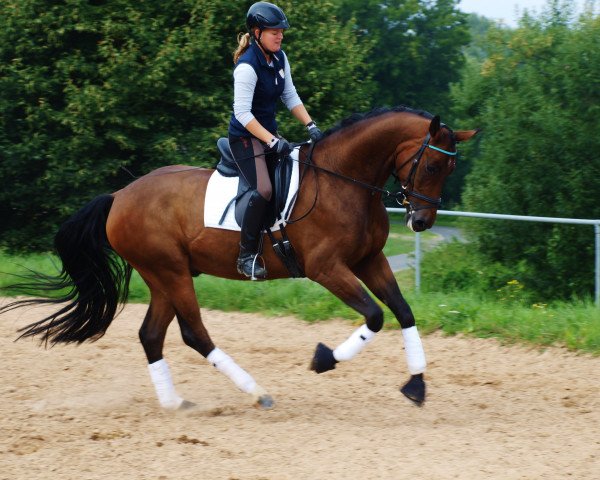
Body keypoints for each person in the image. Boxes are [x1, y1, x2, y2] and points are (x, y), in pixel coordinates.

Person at [228, 1, 324, 280]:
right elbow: (243, 114)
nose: (280, 35)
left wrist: (311, 125)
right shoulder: (247, 67)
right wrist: (272, 141)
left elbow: (290, 96)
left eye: (281, 31)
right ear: (257, 32)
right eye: (274, 31)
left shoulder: (280, 59)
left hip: (269, 136)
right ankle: (246, 256)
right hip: (246, 139)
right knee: (265, 190)